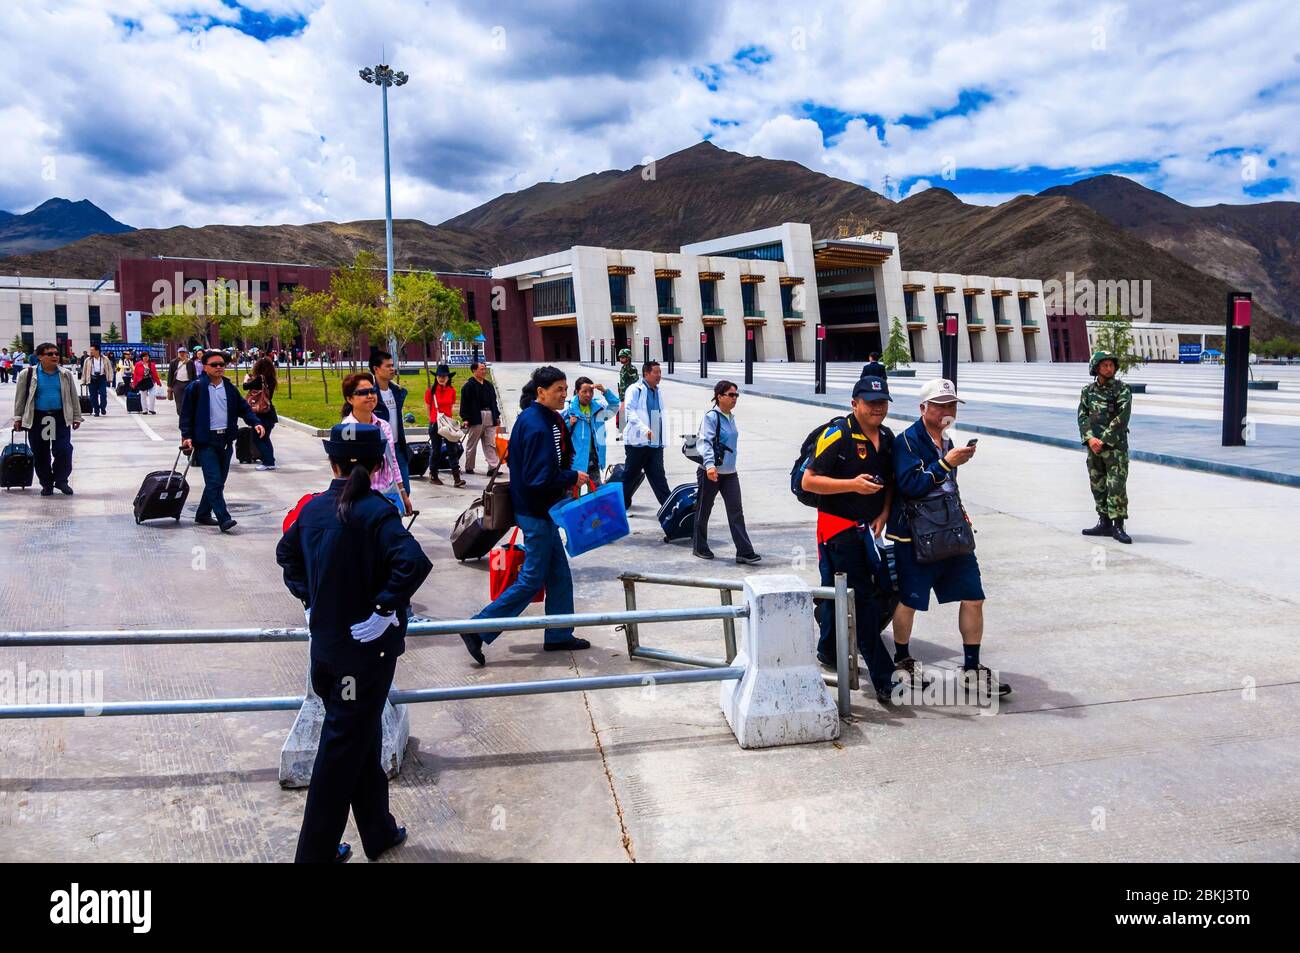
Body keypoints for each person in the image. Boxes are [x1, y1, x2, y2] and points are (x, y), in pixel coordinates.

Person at [276, 422, 432, 864]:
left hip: (326, 652)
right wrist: (384, 610)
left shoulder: (312, 509)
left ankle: (378, 831)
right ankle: (314, 854)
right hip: (363, 657)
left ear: (333, 462)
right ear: (380, 463)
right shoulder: (375, 511)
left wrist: (310, 598)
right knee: (340, 750)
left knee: (358, 736)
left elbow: (286, 555)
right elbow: (413, 562)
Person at [459, 366, 593, 666]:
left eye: (565, 387)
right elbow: (538, 477)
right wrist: (571, 477)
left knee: (558, 575)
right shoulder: (536, 425)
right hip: (535, 511)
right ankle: (477, 629)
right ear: (541, 392)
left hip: (542, 510)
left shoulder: (543, 419)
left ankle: (558, 634)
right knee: (532, 578)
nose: (564, 394)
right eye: (559, 389)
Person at [887, 378, 1009, 697]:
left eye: (952, 404)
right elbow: (910, 486)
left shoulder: (946, 438)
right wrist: (945, 463)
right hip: (914, 536)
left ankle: (972, 667)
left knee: (973, 595)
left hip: (951, 531)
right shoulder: (907, 442)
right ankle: (903, 659)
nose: (947, 410)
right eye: (941, 404)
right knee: (910, 600)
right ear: (923, 408)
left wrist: (950, 461)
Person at [800, 375, 896, 701]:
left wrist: (883, 512)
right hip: (837, 529)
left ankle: (828, 648)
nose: (877, 408)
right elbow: (809, 482)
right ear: (854, 403)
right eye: (870, 402)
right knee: (862, 599)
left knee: (834, 593)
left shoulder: (886, 437)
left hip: (869, 530)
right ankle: (885, 678)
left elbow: (890, 481)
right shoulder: (838, 434)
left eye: (882, 402)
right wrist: (851, 485)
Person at [180, 350, 265, 533]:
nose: (219, 367)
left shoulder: (229, 388)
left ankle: (202, 514)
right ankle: (224, 518)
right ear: (205, 367)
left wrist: (256, 423)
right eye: (215, 365)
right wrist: (187, 436)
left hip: (225, 441)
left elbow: (244, 409)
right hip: (206, 441)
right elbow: (186, 415)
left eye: (222, 365)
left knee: (217, 482)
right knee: (214, 481)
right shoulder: (195, 388)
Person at [692, 380, 761, 564]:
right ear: (719, 396)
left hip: (730, 473)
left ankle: (744, 551)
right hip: (710, 472)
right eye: (731, 395)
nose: (734, 398)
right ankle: (699, 546)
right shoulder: (711, 417)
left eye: (736, 395)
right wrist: (709, 465)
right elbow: (705, 442)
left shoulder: (731, 417)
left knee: (736, 510)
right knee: (704, 509)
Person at [12, 342, 83, 496]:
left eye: (56, 353)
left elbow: (72, 397)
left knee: (64, 449)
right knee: (40, 452)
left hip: (59, 417)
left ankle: (61, 480)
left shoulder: (65, 374)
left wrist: (76, 416)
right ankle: (47, 483)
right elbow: (20, 398)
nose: (54, 356)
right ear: (40, 357)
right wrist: (18, 418)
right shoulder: (28, 374)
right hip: (38, 418)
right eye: (49, 354)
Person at [1078, 350, 1133, 544]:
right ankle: (1104, 523)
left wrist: (1104, 440)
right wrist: (1090, 439)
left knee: (1116, 486)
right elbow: (1082, 416)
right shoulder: (1088, 391)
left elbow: (1122, 418)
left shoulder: (1122, 389)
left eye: (1111, 365)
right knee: (1098, 484)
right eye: (1105, 365)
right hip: (1094, 448)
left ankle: (1118, 525)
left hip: (1115, 448)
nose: (1109, 369)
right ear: (1096, 368)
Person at [341, 372, 411, 515]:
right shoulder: (347, 429)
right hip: (359, 500)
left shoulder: (383, 426)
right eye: (362, 393)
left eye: (372, 391)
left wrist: (402, 492)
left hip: (387, 495)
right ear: (349, 399)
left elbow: (393, 462)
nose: (370, 396)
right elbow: (344, 469)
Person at [621, 360, 671, 510]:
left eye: (660, 372)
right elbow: (629, 412)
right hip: (638, 442)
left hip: (655, 443)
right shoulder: (635, 389)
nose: (658, 375)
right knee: (630, 477)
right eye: (655, 372)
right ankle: (619, 507)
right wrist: (645, 430)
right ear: (646, 373)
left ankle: (670, 510)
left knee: (659, 477)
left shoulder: (657, 391)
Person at [369, 350, 411, 494]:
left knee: (405, 489)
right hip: (380, 449)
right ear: (376, 369)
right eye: (387, 366)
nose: (392, 369)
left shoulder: (397, 392)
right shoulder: (370, 395)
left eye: (392, 365)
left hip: (398, 446)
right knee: (382, 491)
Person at [564, 376, 619, 485]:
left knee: (596, 491)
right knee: (572, 493)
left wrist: (605, 391)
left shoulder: (598, 409)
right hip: (576, 460)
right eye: (584, 391)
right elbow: (557, 430)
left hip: (594, 457)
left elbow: (615, 406)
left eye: (591, 391)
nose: (588, 395)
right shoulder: (568, 409)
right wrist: (568, 424)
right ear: (577, 392)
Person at [423, 364, 465, 488]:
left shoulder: (452, 391)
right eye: (439, 376)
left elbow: (450, 406)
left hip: (448, 422)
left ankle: (457, 478)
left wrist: (448, 420)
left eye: (444, 376)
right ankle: (433, 475)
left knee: (453, 449)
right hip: (435, 423)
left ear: (448, 378)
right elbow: (428, 407)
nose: (441, 378)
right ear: (436, 377)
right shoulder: (431, 391)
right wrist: (432, 421)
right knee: (436, 450)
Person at [459, 359, 501, 475]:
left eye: (484, 369)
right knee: (472, 443)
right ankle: (469, 466)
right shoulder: (468, 386)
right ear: (474, 370)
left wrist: (496, 415)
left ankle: (493, 467)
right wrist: (465, 418)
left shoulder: (489, 385)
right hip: (476, 417)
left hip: (489, 415)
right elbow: (464, 404)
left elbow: (494, 402)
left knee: (490, 443)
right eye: (481, 369)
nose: (484, 371)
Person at [243, 356, 279, 471]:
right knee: (266, 438)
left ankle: (268, 462)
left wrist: (246, 378)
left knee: (258, 439)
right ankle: (270, 461)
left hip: (261, 413)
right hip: (269, 412)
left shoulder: (260, 379)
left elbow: (245, 387)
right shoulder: (271, 380)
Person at [80, 344, 112, 417]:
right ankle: (96, 411)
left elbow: (109, 369)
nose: (91, 352)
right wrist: (83, 380)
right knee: (93, 396)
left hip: (102, 378)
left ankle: (103, 407)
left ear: (97, 351)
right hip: (92, 379)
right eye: (90, 350)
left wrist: (110, 378)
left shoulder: (105, 359)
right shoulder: (88, 360)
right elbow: (84, 370)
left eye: (92, 350)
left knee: (103, 394)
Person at [168, 346, 197, 415]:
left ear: (186, 353)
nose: (182, 354)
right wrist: (169, 386)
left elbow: (194, 374)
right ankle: (181, 415)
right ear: (178, 353)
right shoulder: (173, 362)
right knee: (178, 401)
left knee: (189, 400)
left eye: (183, 352)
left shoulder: (190, 362)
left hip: (188, 383)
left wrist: (195, 384)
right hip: (177, 384)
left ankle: (188, 414)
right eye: (180, 352)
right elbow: (170, 375)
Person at [615, 347, 638, 433]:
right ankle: (622, 431)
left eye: (623, 357)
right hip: (622, 395)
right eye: (620, 357)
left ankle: (627, 431)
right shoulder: (623, 368)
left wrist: (628, 396)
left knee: (627, 413)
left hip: (628, 396)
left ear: (628, 357)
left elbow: (634, 383)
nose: (621, 359)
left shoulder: (631, 369)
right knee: (621, 413)